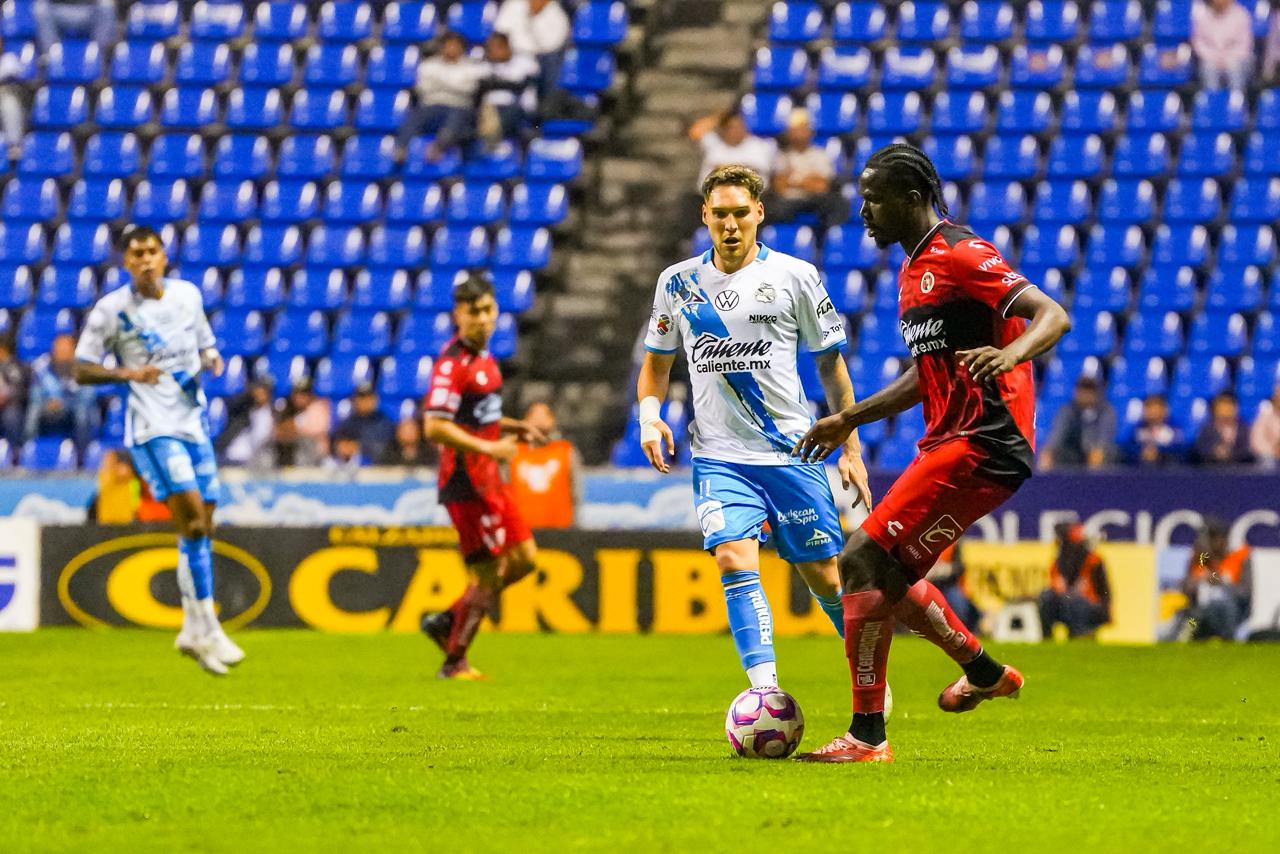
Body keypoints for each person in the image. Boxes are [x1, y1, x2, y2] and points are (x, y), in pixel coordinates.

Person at [790, 142, 1071, 762]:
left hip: (985, 442)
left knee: (860, 557)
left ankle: (867, 738)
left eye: (874, 198)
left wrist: (1012, 353)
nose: (864, 210)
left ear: (912, 200)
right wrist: (847, 418)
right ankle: (984, 672)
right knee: (889, 575)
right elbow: (926, 374)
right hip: (948, 439)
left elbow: (1053, 315)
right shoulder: (911, 270)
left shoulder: (961, 254)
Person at [637, 163, 873, 693]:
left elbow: (831, 366)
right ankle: (764, 692)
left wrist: (851, 449)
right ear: (704, 216)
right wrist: (650, 419)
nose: (730, 225)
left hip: (794, 452)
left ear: (760, 213)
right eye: (719, 214)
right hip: (719, 456)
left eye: (740, 213)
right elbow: (655, 366)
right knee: (732, 556)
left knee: (826, 578)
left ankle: (869, 681)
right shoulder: (677, 283)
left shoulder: (796, 277)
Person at [73, 225, 244, 676]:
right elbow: (81, 369)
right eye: (136, 253)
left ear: (164, 256)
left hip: (194, 422)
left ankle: (193, 628)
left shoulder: (187, 295)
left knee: (202, 526)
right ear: (125, 262)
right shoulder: (112, 311)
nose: (146, 259)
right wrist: (129, 375)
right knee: (190, 517)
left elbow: (204, 339)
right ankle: (207, 623)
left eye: (152, 251)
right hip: (152, 428)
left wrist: (211, 357)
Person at [419, 273, 547, 680]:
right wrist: (491, 448)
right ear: (458, 314)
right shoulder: (451, 363)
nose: (483, 319)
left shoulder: (485, 360)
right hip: (466, 482)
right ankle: (454, 660)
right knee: (489, 573)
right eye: (474, 312)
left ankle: (448, 619)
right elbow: (435, 426)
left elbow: (480, 418)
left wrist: (514, 429)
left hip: (490, 478)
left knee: (526, 559)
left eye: (489, 310)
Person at [396, 31, 486, 162]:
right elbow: (423, 88)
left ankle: (439, 147)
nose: (452, 49)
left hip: (458, 106)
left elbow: (468, 89)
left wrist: (439, 81)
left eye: (455, 46)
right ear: (442, 47)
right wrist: (454, 83)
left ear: (462, 48)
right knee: (414, 117)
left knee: (457, 118)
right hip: (430, 105)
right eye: (449, 45)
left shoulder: (472, 67)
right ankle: (401, 150)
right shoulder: (428, 65)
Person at [766, 109, 851, 233]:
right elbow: (780, 186)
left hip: (814, 200)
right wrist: (807, 180)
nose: (798, 134)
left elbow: (821, 186)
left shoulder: (820, 155)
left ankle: (827, 240)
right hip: (788, 201)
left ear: (810, 132)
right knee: (770, 206)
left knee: (838, 203)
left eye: (802, 129)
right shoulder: (781, 156)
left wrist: (793, 179)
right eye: (794, 130)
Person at [510, 400, 580, 529]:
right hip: (521, 530)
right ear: (525, 421)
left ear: (553, 420)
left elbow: (575, 492)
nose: (539, 420)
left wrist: (575, 526)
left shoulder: (565, 450)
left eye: (544, 415)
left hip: (560, 529)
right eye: (534, 415)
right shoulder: (513, 452)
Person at [1180, 517, 1251, 640]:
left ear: (1224, 539)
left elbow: (1245, 592)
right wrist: (1198, 581)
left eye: (1213, 537)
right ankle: (1188, 635)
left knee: (1221, 605)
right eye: (1208, 537)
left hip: (1232, 613)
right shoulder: (1201, 557)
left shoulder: (1238, 557)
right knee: (1192, 615)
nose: (1209, 542)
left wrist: (1221, 581)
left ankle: (1227, 639)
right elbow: (1186, 586)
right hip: (1200, 612)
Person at [1038, 522, 1111, 639]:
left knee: (1075, 602)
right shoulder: (1058, 563)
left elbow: (1103, 594)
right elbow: (1056, 585)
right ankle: (1047, 638)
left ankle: (1079, 636)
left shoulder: (1094, 561)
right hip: (1067, 604)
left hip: (1089, 607)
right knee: (1046, 597)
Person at [24, 333, 98, 449]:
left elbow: (89, 395)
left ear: (74, 351)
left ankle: (82, 454)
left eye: (66, 349)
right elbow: (35, 393)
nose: (62, 353)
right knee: (34, 409)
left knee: (82, 413)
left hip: (74, 407)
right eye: (59, 349)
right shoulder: (42, 369)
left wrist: (64, 402)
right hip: (48, 407)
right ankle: (29, 448)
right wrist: (47, 403)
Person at [494, 0, 570, 102]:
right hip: (514, 57)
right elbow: (501, 34)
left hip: (544, 59)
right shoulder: (513, 4)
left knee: (553, 63)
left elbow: (553, 44)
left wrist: (534, 17)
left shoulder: (554, 12)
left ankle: (545, 107)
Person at [1040, 376, 1117, 470]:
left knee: (1113, 454)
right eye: (1082, 390)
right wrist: (1048, 453)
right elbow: (1056, 435)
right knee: (1058, 455)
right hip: (1074, 455)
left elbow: (1104, 437)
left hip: (1099, 453)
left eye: (1089, 391)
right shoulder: (1068, 410)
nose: (1085, 395)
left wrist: (1097, 453)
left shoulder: (1106, 411)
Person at [478, 31, 539, 144]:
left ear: (508, 47)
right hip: (490, 110)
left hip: (517, 109)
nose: (494, 51)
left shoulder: (524, 63)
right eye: (491, 48)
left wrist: (498, 84)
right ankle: (492, 136)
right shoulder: (483, 66)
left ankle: (493, 137)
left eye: (499, 47)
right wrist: (510, 84)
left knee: (513, 111)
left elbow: (524, 87)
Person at [1191, 0, 1255, 90]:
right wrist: (1214, 57)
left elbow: (1245, 44)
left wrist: (1227, 58)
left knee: (1234, 67)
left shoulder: (1241, 14)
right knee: (1209, 67)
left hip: (1236, 58)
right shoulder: (1201, 16)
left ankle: (1236, 99)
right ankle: (1212, 99)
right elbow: (1198, 43)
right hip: (1210, 58)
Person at [217, 378, 276, 469]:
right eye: (257, 390)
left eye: (263, 391)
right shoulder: (242, 410)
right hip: (232, 457)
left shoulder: (274, 413)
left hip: (258, 461)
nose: (259, 394)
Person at [274, 376, 330, 467]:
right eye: (297, 393)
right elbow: (279, 432)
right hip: (292, 456)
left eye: (304, 394)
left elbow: (311, 431)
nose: (299, 398)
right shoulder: (289, 409)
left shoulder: (318, 408)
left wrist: (291, 429)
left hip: (317, 458)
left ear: (310, 395)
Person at [334, 381, 395, 464]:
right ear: (354, 400)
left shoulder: (385, 423)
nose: (364, 402)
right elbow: (337, 445)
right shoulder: (347, 423)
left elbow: (384, 449)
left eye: (368, 398)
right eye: (360, 398)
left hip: (380, 468)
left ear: (374, 399)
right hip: (354, 469)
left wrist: (359, 448)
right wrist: (342, 448)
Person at [924, 541, 979, 631]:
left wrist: (944, 571)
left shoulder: (954, 543)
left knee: (959, 606)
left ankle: (960, 632)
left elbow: (959, 567)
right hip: (925, 583)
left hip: (947, 586)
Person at [1120, 393, 1186, 466]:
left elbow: (1180, 451)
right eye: (1148, 407)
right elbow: (1129, 449)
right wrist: (1141, 451)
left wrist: (1159, 452)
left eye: (1156, 408)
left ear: (1164, 410)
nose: (1153, 412)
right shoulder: (1138, 429)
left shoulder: (1174, 430)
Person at [1192, 391, 1255, 465]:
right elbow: (1200, 448)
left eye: (1229, 406)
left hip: (1238, 469)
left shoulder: (1244, 428)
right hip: (1211, 469)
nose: (1225, 410)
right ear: (1215, 409)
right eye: (1222, 406)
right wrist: (1215, 452)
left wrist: (1230, 454)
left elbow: (1249, 451)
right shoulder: (1207, 429)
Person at [33, 0, 116, 54]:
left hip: (89, 11)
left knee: (106, 5)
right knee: (41, 7)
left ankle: (100, 55)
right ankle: (50, 56)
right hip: (59, 10)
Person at [0, 38, 26, 161]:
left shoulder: (9, 59)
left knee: (9, 103)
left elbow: (12, 78)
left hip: (5, 96)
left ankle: (14, 145)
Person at [0, 335, 26, 447]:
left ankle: (15, 452)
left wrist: (5, 397)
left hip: (10, 405)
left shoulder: (14, 366)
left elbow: (18, 389)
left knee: (11, 416)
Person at [1249, 384, 1280, 466]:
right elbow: (1256, 441)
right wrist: (1273, 451)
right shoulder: (1264, 414)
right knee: (1268, 462)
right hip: (1270, 457)